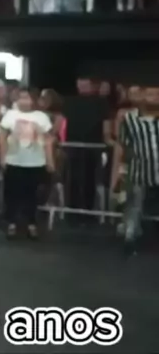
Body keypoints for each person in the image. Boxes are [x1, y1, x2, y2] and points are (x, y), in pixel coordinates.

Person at [0, 88, 55, 239]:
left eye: (27, 98)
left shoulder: (41, 117)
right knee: (12, 193)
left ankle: (31, 223)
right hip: (14, 161)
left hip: (35, 162)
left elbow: (48, 140)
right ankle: (11, 222)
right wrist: (2, 157)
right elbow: (2, 137)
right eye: (21, 98)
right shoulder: (10, 115)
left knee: (32, 194)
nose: (23, 101)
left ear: (33, 100)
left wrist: (50, 160)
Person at [112, 85, 159, 256]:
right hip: (139, 169)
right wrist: (119, 172)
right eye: (150, 93)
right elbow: (123, 146)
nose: (154, 97)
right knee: (134, 206)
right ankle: (129, 239)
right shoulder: (129, 119)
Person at [62, 77, 111, 219]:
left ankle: (88, 211)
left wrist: (108, 139)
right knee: (72, 177)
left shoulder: (101, 103)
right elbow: (62, 122)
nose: (82, 85)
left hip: (94, 146)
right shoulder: (69, 101)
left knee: (90, 178)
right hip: (72, 145)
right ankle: (72, 210)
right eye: (80, 82)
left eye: (85, 82)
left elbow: (106, 125)